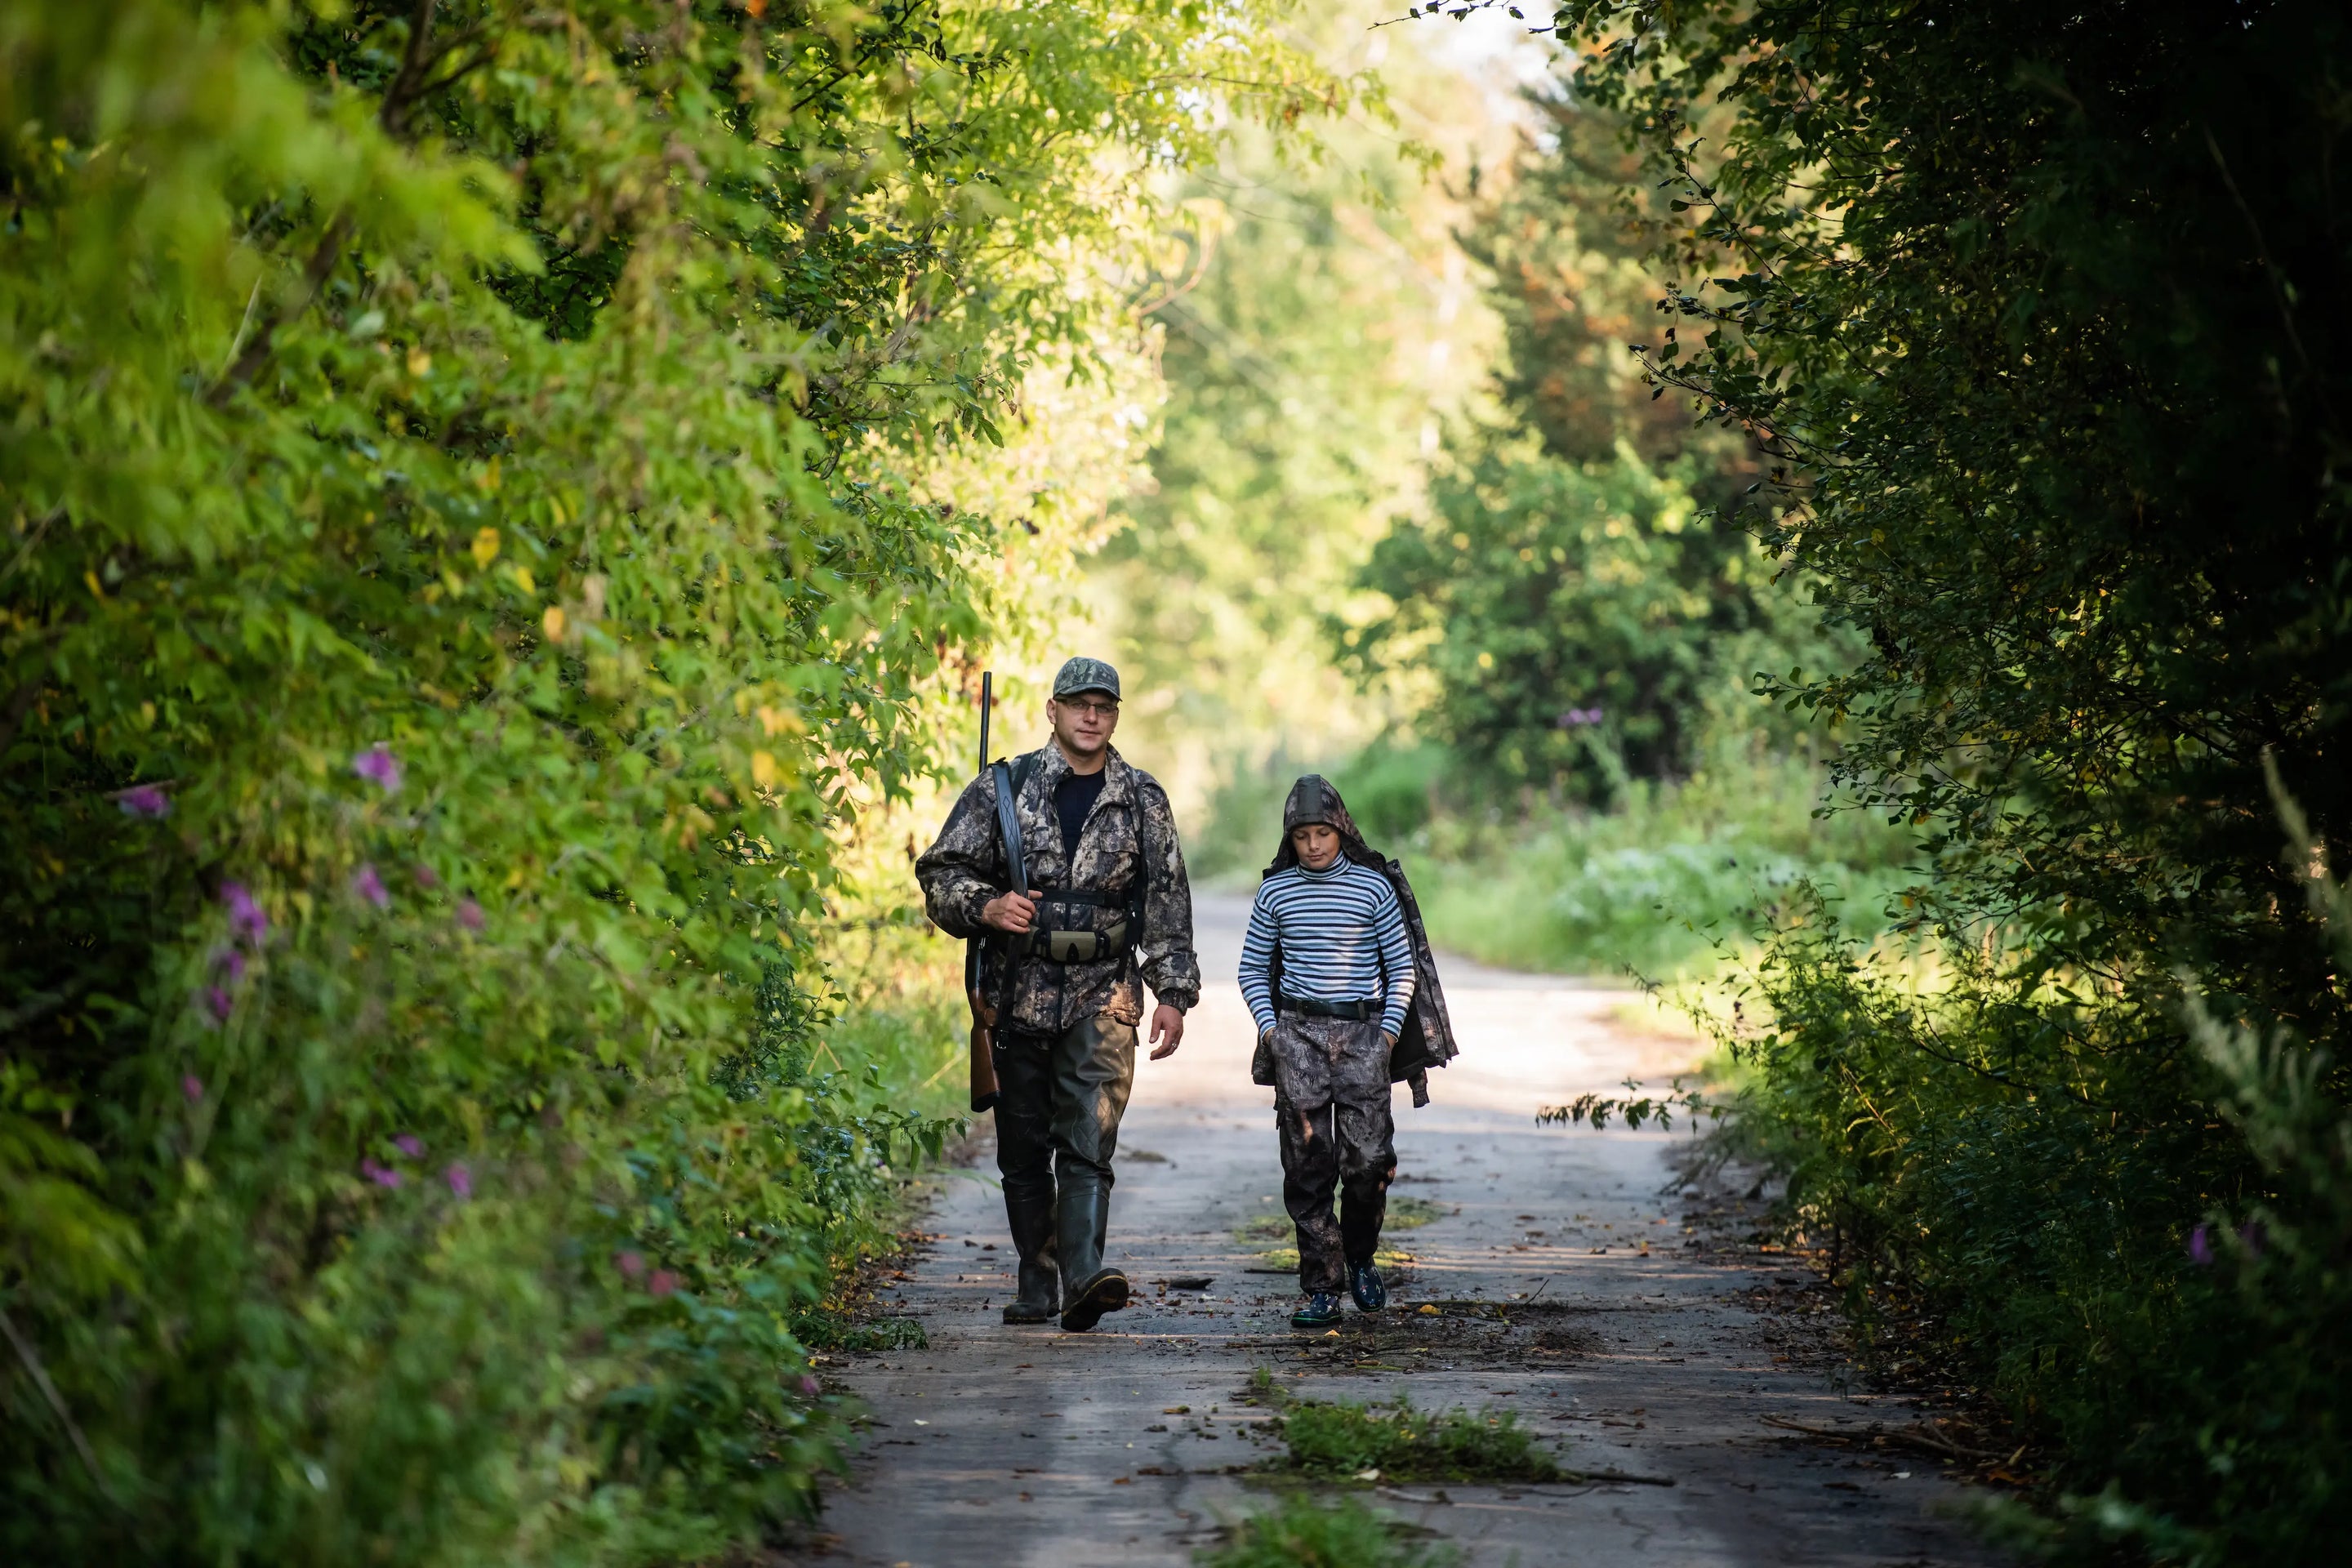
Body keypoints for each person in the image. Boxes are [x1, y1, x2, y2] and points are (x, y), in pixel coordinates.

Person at [915, 657, 1200, 1331]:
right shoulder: (1001, 789)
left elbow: (1167, 899)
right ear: (1054, 710)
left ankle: (1082, 1277)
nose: (1091, 716)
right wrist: (986, 907)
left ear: (1116, 715)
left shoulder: (1142, 798)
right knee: (1022, 1149)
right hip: (1016, 991)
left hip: (1105, 993)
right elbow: (940, 873)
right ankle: (1037, 1274)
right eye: (1079, 705)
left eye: (1104, 706)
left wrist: (1173, 991)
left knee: (1088, 1136)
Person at [1238, 775, 1456, 1329]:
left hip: (1363, 1038)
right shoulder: (1275, 893)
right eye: (1303, 835)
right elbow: (1251, 970)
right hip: (1298, 1037)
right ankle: (1320, 1287)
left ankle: (1360, 1256)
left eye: (1324, 833)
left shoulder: (1372, 888)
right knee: (1307, 1167)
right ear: (1290, 838)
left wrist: (1384, 1037)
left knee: (1367, 1163)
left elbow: (1402, 967)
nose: (1314, 844)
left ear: (1342, 830)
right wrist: (1272, 1033)